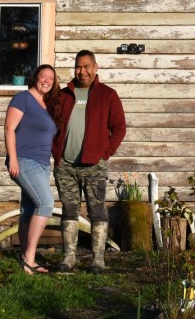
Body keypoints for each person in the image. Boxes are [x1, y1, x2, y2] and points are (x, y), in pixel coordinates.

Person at [52, 50, 126, 273]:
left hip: (95, 165)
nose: (81, 71)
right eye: (78, 67)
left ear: (95, 68)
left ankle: (98, 260)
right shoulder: (63, 95)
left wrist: (106, 153)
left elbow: (119, 128)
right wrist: (55, 151)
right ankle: (69, 258)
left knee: (97, 211)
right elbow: (51, 125)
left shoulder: (108, 95)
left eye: (86, 67)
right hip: (65, 165)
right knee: (68, 210)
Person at [4, 64, 61, 274]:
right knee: (46, 203)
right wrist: (13, 158)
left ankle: (26, 259)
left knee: (29, 210)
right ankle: (29, 258)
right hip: (24, 160)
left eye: (51, 78)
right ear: (35, 78)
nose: (46, 80)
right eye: (43, 76)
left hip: (43, 164)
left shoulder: (47, 105)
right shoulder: (23, 98)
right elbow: (9, 128)